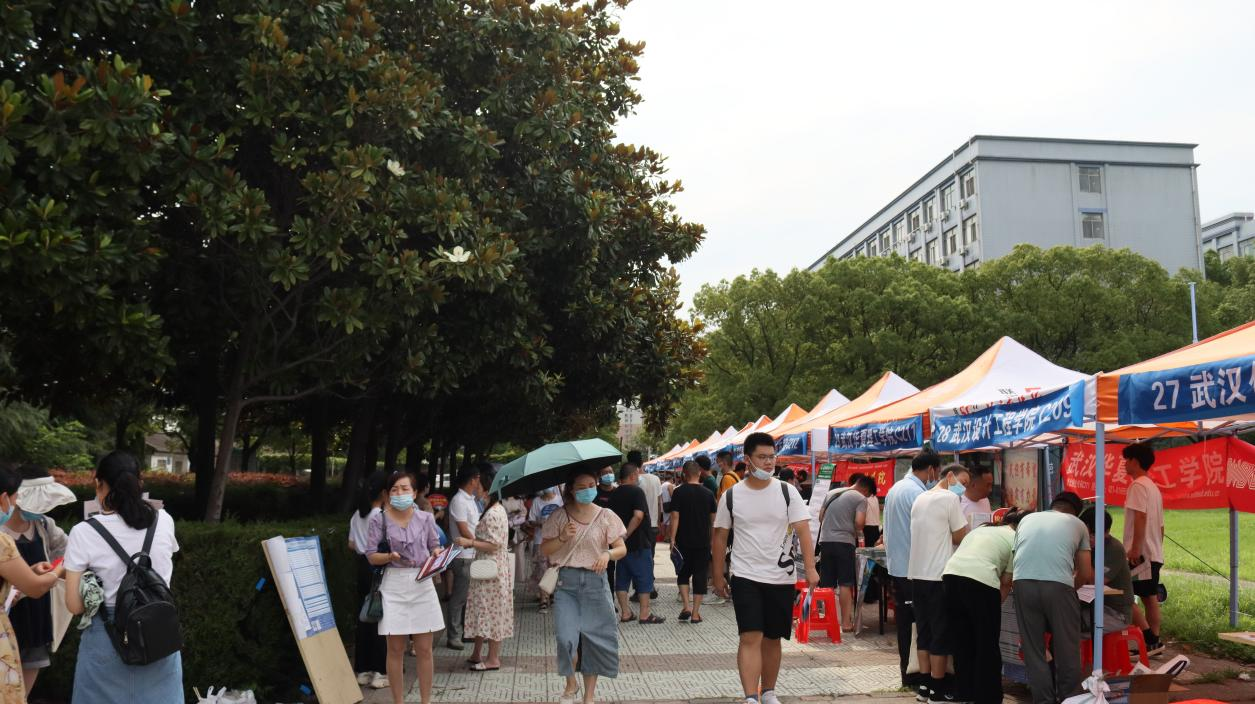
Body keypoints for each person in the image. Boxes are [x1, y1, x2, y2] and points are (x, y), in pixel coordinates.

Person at [64, 451, 181, 702]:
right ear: (140, 483)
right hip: (157, 633)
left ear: (98, 484)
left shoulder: (83, 532)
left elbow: (74, 605)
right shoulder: (164, 521)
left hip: (107, 636)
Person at [712, 432, 818, 704]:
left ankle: (768, 692)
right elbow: (720, 536)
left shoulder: (787, 491)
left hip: (781, 576)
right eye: (762, 457)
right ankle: (750, 697)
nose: (769, 462)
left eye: (772, 457)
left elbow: (803, 531)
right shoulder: (731, 496)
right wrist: (717, 575)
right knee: (750, 635)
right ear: (747, 459)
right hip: (745, 575)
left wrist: (810, 568)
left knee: (773, 637)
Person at [540, 468, 628, 704]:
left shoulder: (606, 515)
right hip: (565, 584)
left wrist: (608, 554)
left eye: (591, 485)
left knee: (595, 640)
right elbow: (544, 549)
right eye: (581, 487)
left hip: (595, 583)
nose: (588, 490)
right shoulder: (559, 516)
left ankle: (589, 697)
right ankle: (571, 683)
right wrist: (562, 538)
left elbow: (621, 548)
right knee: (565, 638)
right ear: (571, 489)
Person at [366, 472, 445, 704]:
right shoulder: (379, 520)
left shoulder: (426, 518)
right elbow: (371, 555)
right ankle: (398, 701)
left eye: (404, 488)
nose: (399, 493)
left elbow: (434, 545)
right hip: (393, 584)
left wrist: (437, 553)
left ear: (415, 492)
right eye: (394, 489)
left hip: (422, 582)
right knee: (395, 649)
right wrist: (389, 556)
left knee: (424, 649)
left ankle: (425, 701)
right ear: (387, 494)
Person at [1011, 491, 1093, 704]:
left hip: (1022, 584)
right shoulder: (1077, 524)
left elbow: (1017, 556)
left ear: (1052, 505)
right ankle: (1069, 699)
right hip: (1059, 586)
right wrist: (1070, 588)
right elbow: (1085, 572)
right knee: (1067, 649)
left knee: (1034, 650)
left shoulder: (1027, 519)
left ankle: (1043, 700)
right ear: (1075, 512)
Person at [943, 509, 1027, 704]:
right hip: (980, 583)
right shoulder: (1016, 539)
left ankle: (964, 693)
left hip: (950, 577)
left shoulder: (981, 529)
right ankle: (988, 697)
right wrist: (992, 608)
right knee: (986, 644)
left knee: (962, 641)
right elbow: (1006, 582)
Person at [3, 464, 71, 695]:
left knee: (21, 695)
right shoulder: (2, 538)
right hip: (7, 622)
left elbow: (69, 550)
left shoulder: (43, 525)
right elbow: (33, 585)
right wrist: (56, 571)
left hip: (36, 620)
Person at [908, 464, 970, 704]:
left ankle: (924, 687)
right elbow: (960, 535)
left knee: (924, 632)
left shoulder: (920, 498)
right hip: (938, 575)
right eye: (962, 482)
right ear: (950, 476)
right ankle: (938, 690)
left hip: (918, 575)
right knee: (940, 634)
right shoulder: (949, 499)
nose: (963, 488)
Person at [881, 450, 941, 689]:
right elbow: (926, 533)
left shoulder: (896, 488)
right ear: (931, 470)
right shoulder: (917, 494)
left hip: (898, 566)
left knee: (906, 625)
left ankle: (908, 673)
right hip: (913, 569)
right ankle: (917, 675)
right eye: (937, 473)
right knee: (920, 625)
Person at [457, 473, 514, 672]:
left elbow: (493, 544)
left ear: (487, 489)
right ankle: (477, 653)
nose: (476, 489)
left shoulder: (493, 513)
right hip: (488, 569)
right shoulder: (494, 509)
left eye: (479, 486)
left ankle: (492, 659)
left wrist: (470, 542)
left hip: (491, 571)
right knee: (483, 609)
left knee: (492, 612)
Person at [1121, 442, 1165, 656]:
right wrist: (1156, 548)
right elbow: (1161, 526)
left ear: (1135, 461)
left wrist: (1135, 550)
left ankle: (1150, 639)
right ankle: (1153, 643)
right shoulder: (1153, 487)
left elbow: (1140, 517)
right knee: (1149, 597)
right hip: (1153, 552)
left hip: (1141, 554)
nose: (1124, 464)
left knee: (1121, 594)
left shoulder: (1138, 486)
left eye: (1127, 460)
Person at [348, 470, 389, 690]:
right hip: (378, 569)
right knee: (381, 619)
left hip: (361, 567)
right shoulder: (381, 517)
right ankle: (380, 672)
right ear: (383, 492)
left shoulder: (358, 515)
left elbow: (351, 544)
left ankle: (362, 670)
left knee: (364, 617)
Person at [817, 474, 875, 631]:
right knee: (845, 583)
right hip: (844, 542)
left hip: (825, 541)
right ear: (866, 490)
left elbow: (821, 517)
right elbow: (859, 522)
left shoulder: (832, 493)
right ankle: (846, 623)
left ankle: (829, 621)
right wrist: (854, 528)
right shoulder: (860, 498)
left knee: (827, 583)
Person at [609, 464, 664, 624]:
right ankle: (645, 614)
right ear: (633, 475)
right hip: (638, 542)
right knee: (644, 578)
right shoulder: (637, 492)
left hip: (620, 546)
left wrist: (619, 538)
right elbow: (638, 516)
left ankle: (625, 612)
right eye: (638, 475)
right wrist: (626, 534)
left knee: (622, 578)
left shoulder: (614, 493)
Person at [669, 459, 716, 624]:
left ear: (684, 474)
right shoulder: (708, 494)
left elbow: (675, 516)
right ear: (699, 473)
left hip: (682, 541)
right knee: (700, 575)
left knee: (683, 573)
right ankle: (695, 614)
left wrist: (672, 538)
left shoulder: (678, 492)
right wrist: (712, 540)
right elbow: (713, 520)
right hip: (703, 542)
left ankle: (686, 606)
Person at [1079, 506, 1134, 637]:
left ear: (1107, 532)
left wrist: (1083, 552)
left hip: (1115, 613)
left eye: (1093, 535)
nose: (1089, 539)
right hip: (1092, 607)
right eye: (1086, 534)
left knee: (1069, 626)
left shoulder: (1114, 549)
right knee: (1057, 618)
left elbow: (1093, 581)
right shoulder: (1087, 545)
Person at [446, 465, 484, 650]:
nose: (479, 483)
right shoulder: (459, 500)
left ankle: (466, 631)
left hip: (471, 553)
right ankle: (453, 635)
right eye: (478, 479)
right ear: (473, 479)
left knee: (469, 596)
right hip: (463, 555)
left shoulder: (470, 499)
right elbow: (463, 529)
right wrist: (479, 543)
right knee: (459, 597)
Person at [528, 487, 564, 612]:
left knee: (555, 569)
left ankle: (552, 593)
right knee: (542, 570)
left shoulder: (560, 500)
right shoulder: (537, 501)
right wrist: (540, 523)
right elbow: (531, 520)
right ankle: (543, 599)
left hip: (557, 541)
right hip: (540, 541)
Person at [634, 457, 662, 602]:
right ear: (642, 463)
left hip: (637, 525)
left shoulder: (634, 481)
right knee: (649, 557)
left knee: (636, 557)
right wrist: (659, 521)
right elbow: (659, 502)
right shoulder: (655, 479)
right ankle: (649, 586)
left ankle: (640, 589)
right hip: (653, 525)